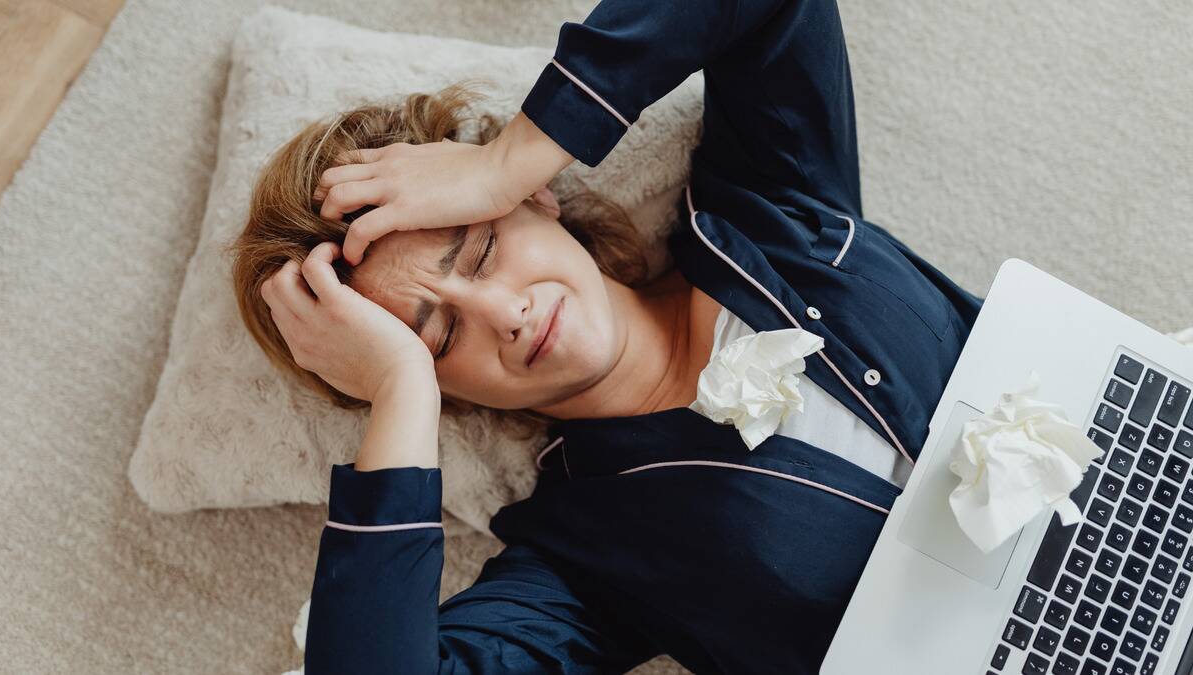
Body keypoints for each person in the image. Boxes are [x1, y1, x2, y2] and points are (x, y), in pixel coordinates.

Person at [234, 0, 986, 672]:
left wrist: (514, 151)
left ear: (534, 199)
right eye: (438, 338)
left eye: (484, 251)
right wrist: (398, 388)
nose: (505, 313)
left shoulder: (765, 202)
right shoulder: (579, 559)